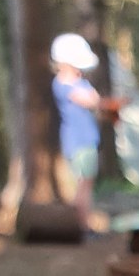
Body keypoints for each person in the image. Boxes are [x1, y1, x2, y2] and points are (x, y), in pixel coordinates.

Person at [50, 33, 118, 222]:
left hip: (87, 141)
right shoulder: (63, 85)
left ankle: (83, 222)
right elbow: (91, 101)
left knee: (86, 184)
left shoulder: (80, 84)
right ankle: (81, 224)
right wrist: (106, 103)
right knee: (82, 186)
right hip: (78, 142)